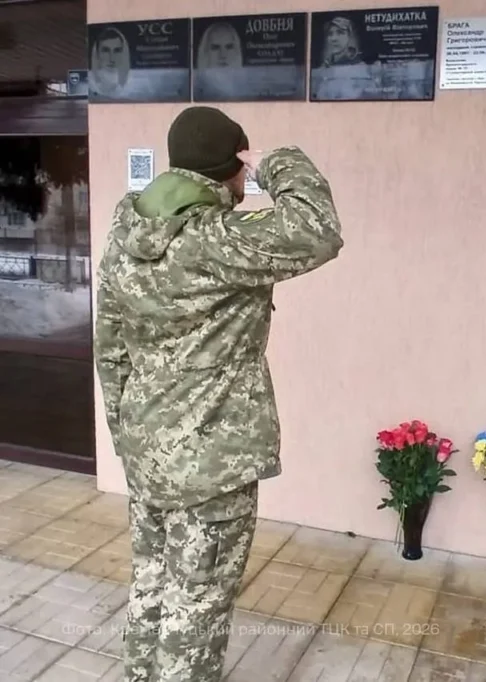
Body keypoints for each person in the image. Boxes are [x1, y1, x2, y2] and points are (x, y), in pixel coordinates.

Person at [93, 105, 344, 682]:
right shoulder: (217, 240)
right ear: (232, 167)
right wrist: (274, 163)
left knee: (153, 580)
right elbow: (317, 228)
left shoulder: (124, 235)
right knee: (197, 605)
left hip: (148, 447)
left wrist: (128, 438)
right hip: (211, 464)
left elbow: (109, 348)